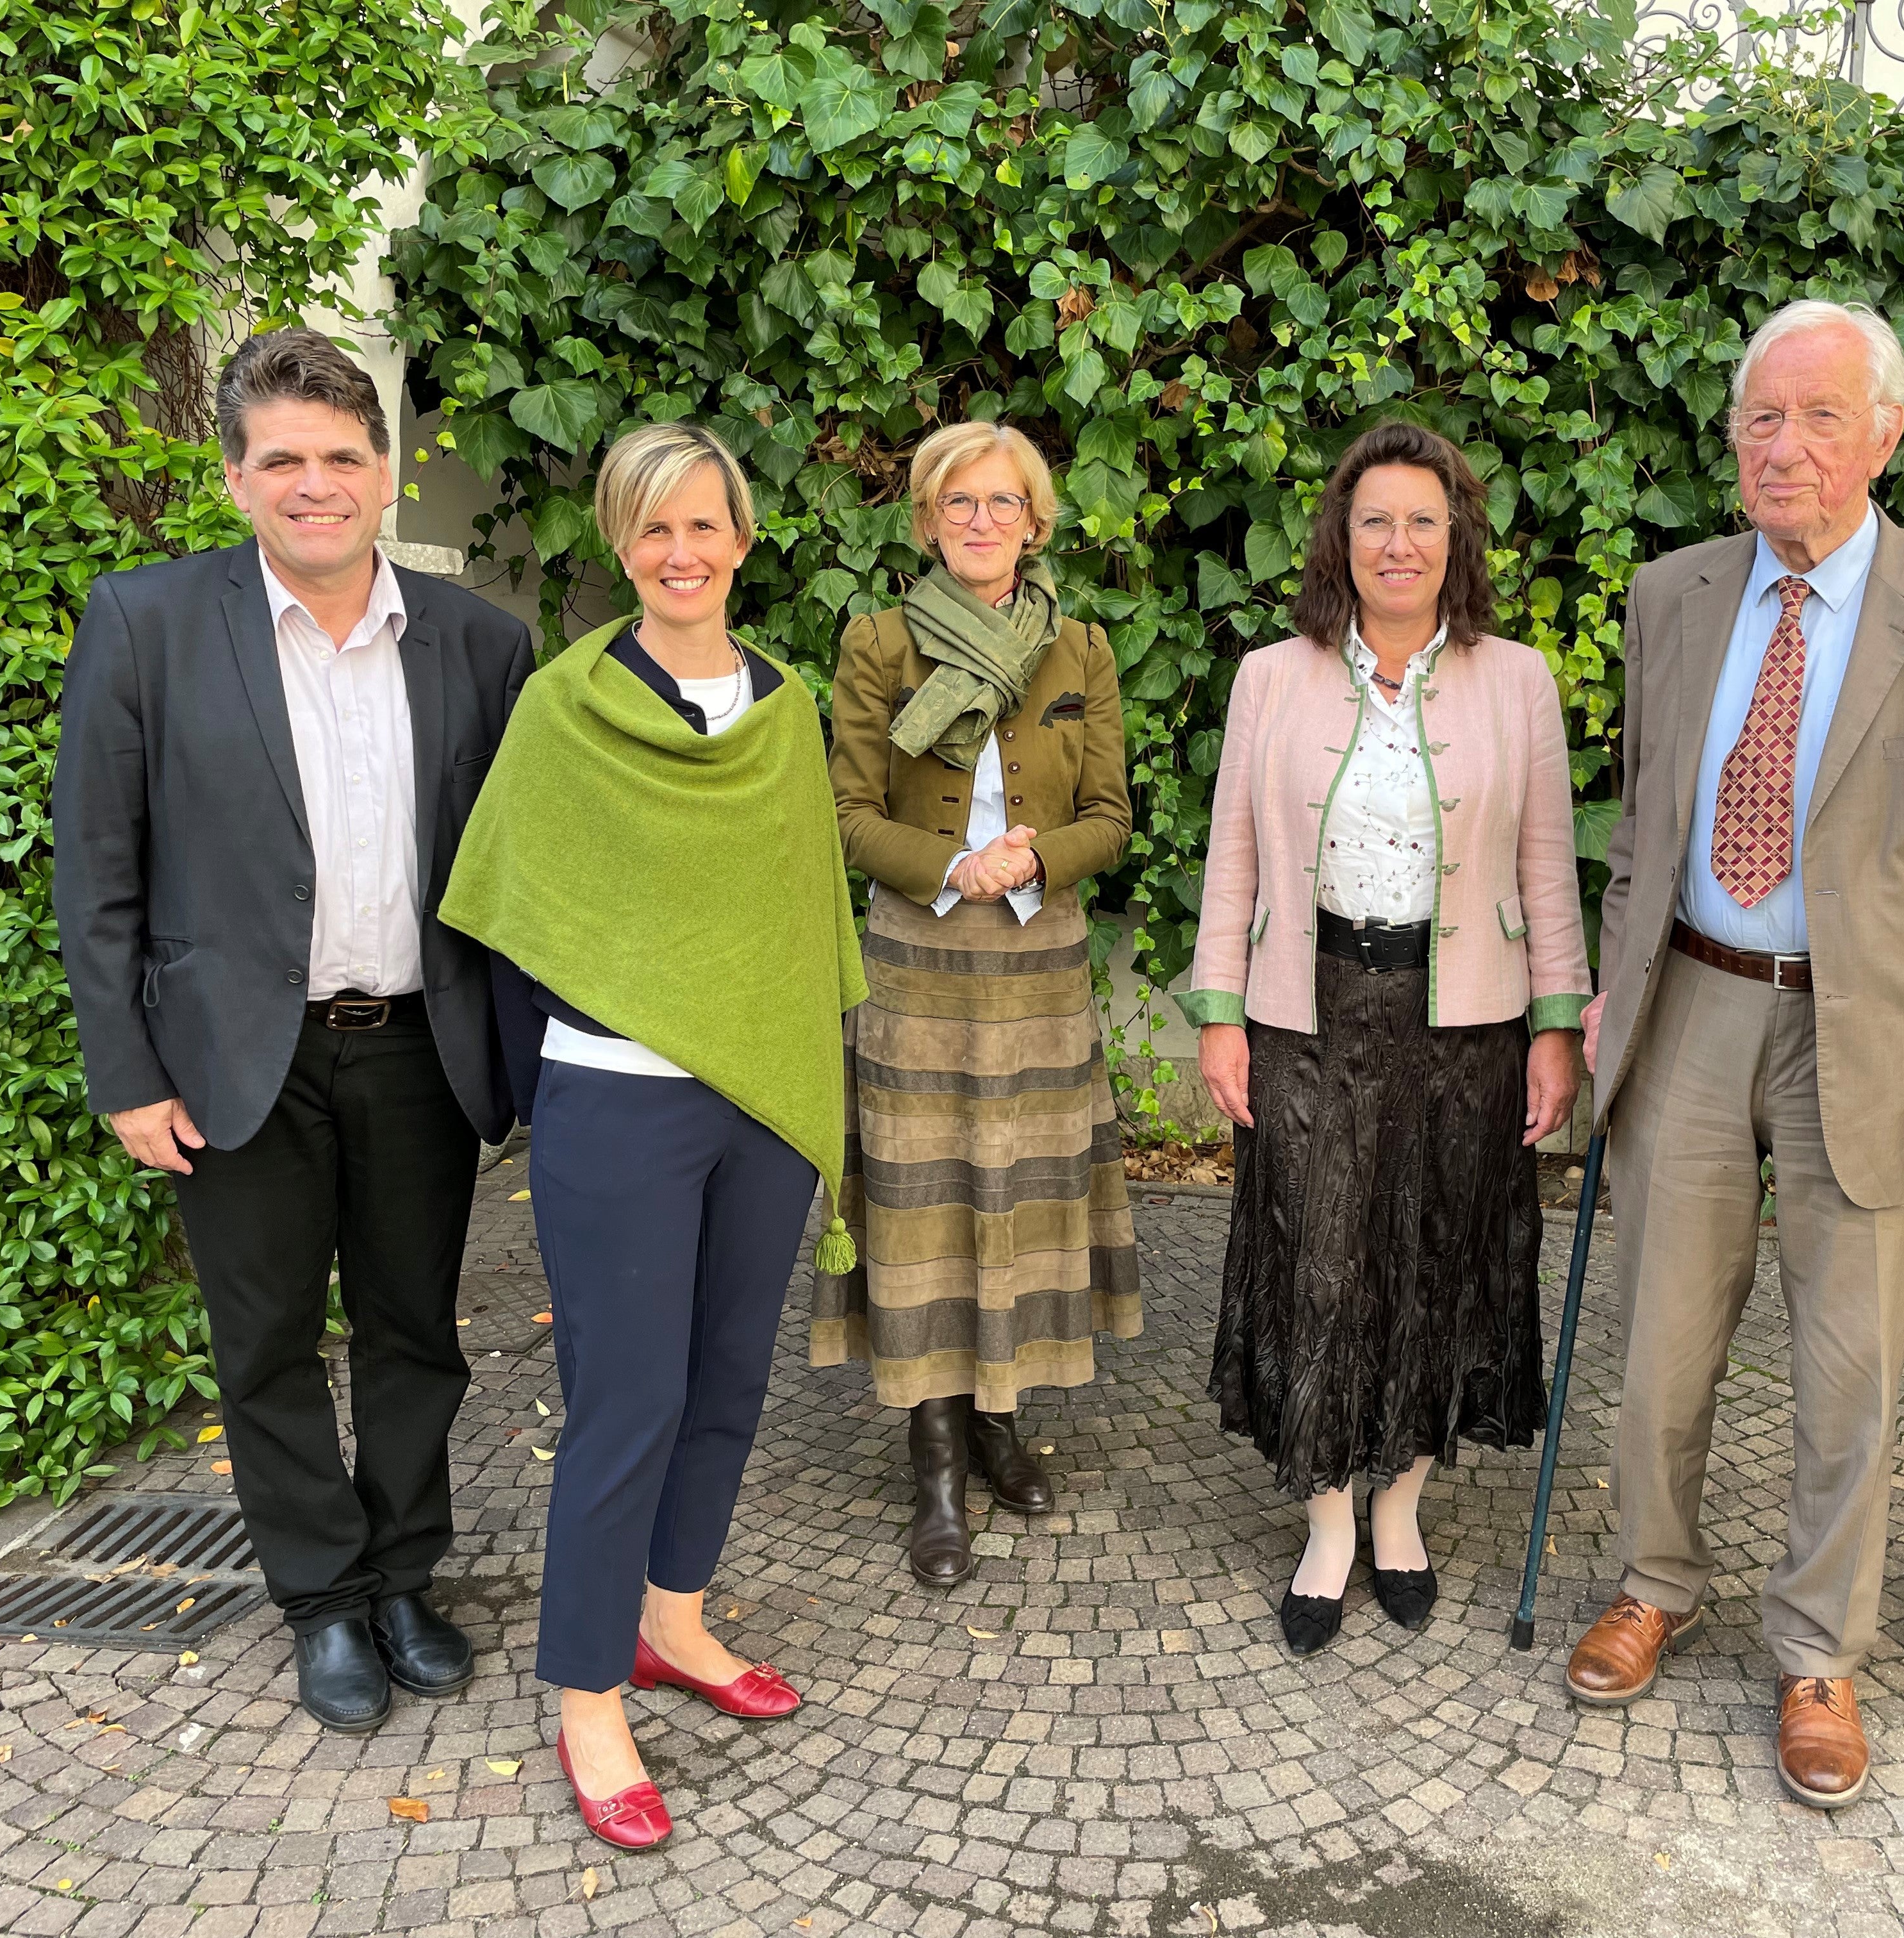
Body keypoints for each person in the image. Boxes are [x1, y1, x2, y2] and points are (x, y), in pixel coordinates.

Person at [1572, 299, 1904, 1808]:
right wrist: (1611, 988)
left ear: (1885, 434)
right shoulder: (1671, 596)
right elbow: (1643, 828)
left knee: (1851, 1364)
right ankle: (1654, 1578)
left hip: (1870, 1034)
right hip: (1692, 1009)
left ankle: (1819, 1652)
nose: (1782, 447)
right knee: (1660, 1341)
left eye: (1820, 417)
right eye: (1760, 418)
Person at [51, 329, 533, 1732]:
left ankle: (403, 1576)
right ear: (235, 479)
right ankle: (322, 1599)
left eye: (339, 457)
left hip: (417, 1048)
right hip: (228, 1056)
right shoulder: (145, 623)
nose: (312, 484)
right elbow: (98, 868)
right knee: (264, 1342)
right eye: (282, 461)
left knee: (414, 1331)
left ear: (384, 473)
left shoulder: (480, 643)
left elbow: (518, 875)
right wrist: (125, 1072)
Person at [439, 424, 866, 1849]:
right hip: (614, 1101)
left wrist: (800, 1072)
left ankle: (672, 1622)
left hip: (760, 1102)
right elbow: (512, 915)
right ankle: (587, 1696)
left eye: (705, 525)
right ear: (620, 544)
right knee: (625, 1402)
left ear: (743, 539)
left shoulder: (787, 708)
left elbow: (804, 917)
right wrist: (557, 1094)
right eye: (653, 527)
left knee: (728, 1380)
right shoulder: (564, 709)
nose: (681, 552)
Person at [1179, 421, 1587, 1657]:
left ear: (1455, 539)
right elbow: (1233, 857)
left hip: (1466, 1020)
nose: (1398, 543)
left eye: (1422, 521)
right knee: (1319, 1260)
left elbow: (1549, 867)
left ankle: (1400, 1508)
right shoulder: (1271, 677)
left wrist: (1557, 1028)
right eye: (1375, 522)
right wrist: (1217, 1013)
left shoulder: (1517, 680)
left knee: (1435, 1260)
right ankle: (1327, 1524)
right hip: (1307, 1012)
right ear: (1341, 540)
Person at [818, 420, 1139, 1588]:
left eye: (1003, 502)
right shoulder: (879, 642)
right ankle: (938, 1464)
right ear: (927, 520)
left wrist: (1035, 858)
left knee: (1021, 1200)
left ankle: (1002, 1422)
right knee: (928, 1208)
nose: (982, 521)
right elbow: (848, 813)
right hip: (918, 961)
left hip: (1040, 960)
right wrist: (957, 865)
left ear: (1035, 523)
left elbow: (1112, 815)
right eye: (958, 502)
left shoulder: (1081, 649)